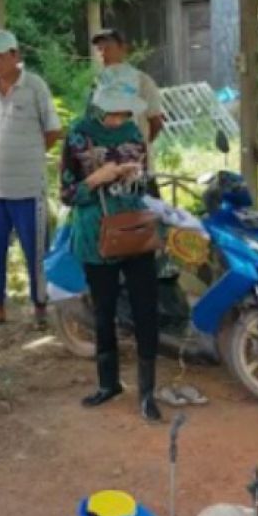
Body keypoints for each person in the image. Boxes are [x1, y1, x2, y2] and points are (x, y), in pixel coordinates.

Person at [59, 65, 162, 423]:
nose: (120, 119)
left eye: (125, 111)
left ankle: (148, 392)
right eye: (115, 111)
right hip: (95, 234)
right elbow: (67, 195)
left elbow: (146, 181)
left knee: (146, 309)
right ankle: (108, 383)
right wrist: (96, 180)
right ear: (100, 106)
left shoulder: (135, 130)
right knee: (104, 312)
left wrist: (136, 177)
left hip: (135, 232)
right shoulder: (77, 135)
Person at [0, 30, 63, 330]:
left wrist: (30, 155)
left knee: (35, 249)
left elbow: (53, 131)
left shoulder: (34, 86)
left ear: (15, 55)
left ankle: (41, 307)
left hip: (28, 186)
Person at [90, 28, 165, 153]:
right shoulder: (98, 84)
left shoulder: (142, 81)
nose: (103, 53)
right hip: (105, 158)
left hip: (135, 157)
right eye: (99, 49)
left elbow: (156, 122)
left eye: (108, 48)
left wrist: (143, 146)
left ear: (123, 49)